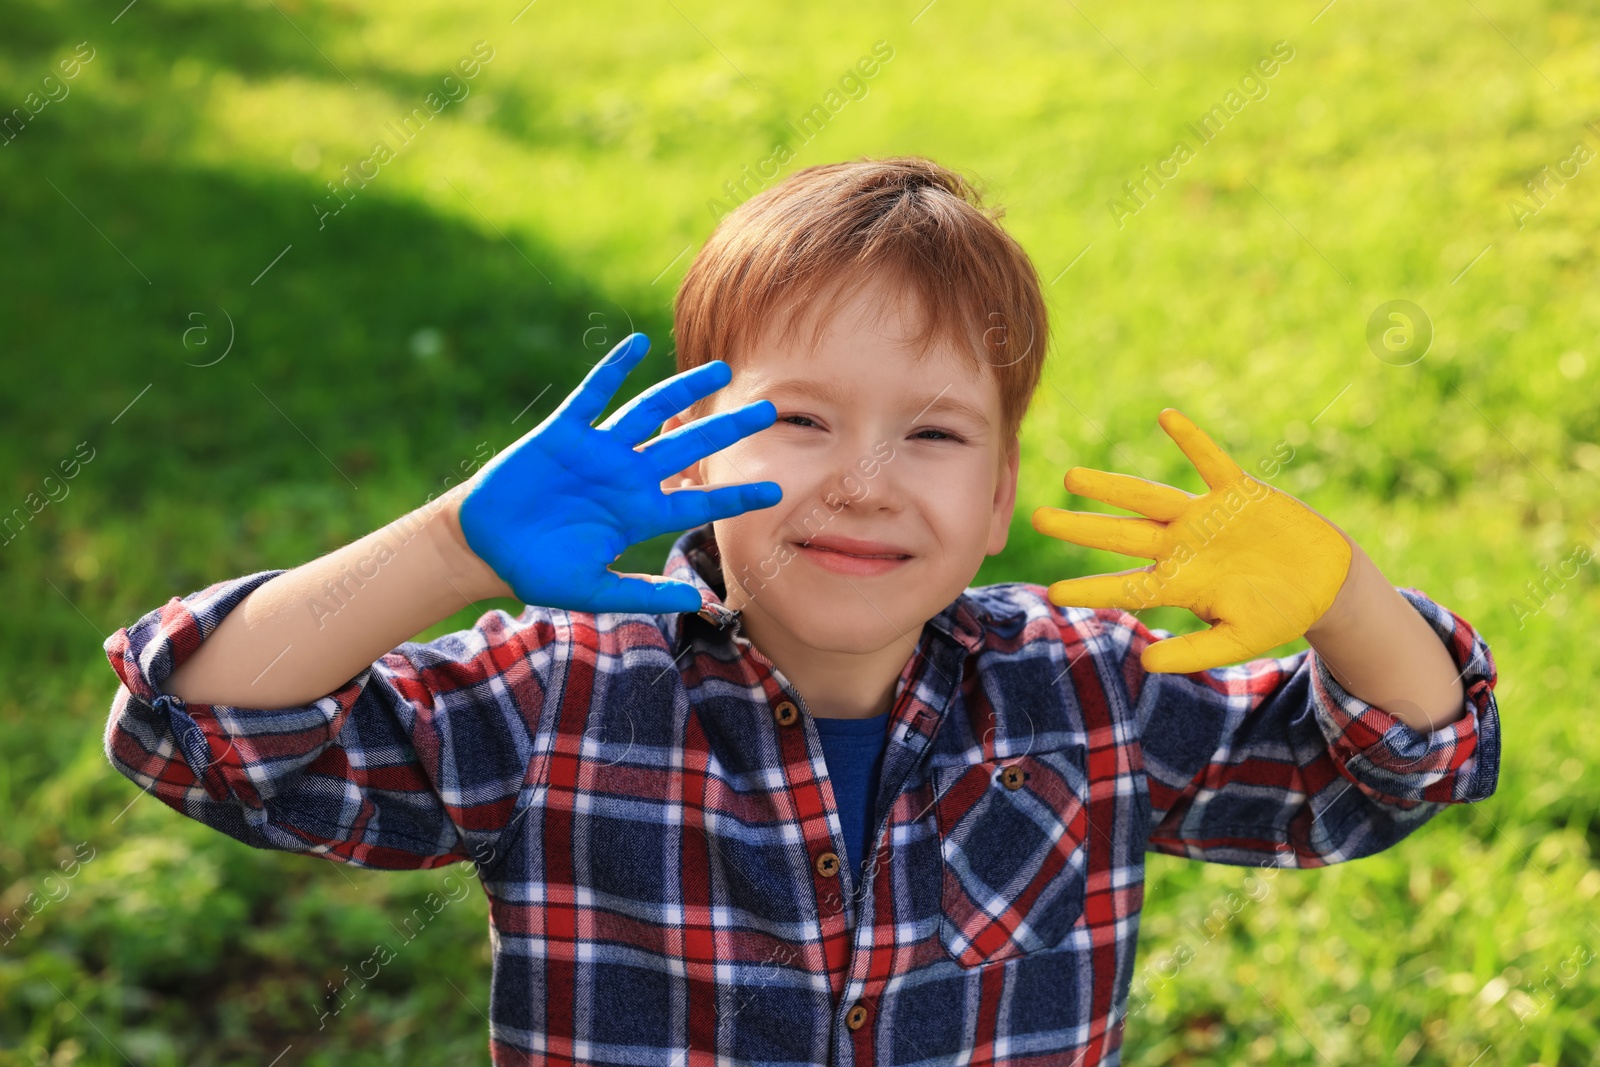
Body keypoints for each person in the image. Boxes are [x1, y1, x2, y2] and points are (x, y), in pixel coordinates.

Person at [102, 156, 1500, 1066]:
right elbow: (201, 730)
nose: (867, 484)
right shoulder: (563, 690)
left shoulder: (1095, 690)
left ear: (1004, 484)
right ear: (697, 459)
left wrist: (1345, 601)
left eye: (936, 437)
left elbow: (1388, 769)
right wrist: (450, 546)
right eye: (804, 421)